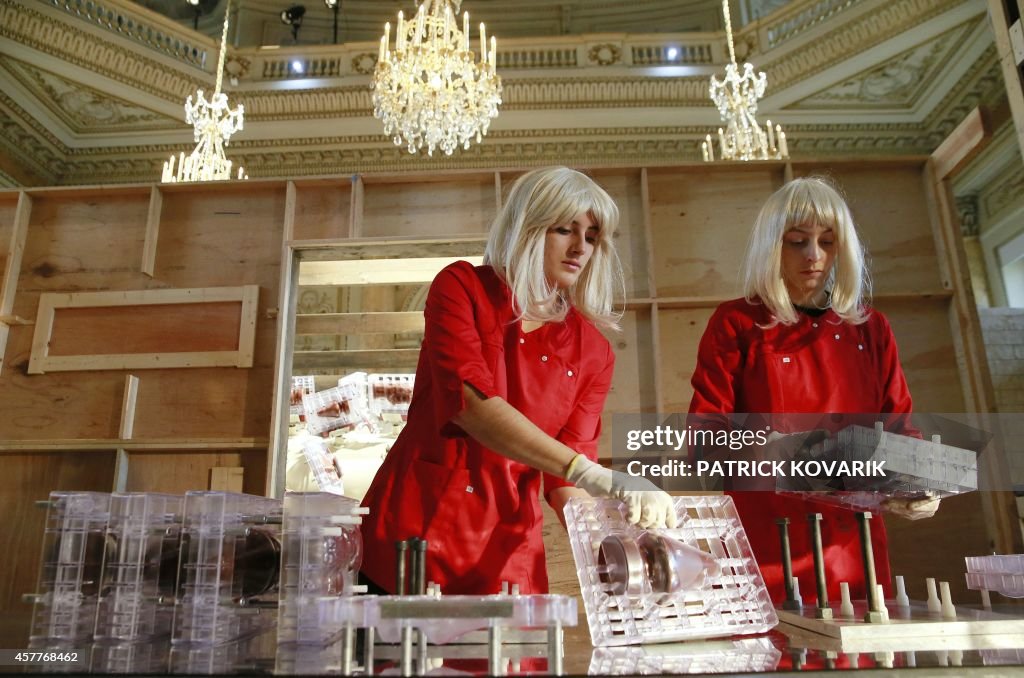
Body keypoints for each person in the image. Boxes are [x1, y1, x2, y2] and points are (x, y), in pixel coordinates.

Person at [359, 167, 676, 595]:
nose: (580, 247)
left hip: (505, 553)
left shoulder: (593, 351)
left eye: (592, 236)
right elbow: (472, 404)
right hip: (413, 535)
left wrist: (613, 547)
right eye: (564, 229)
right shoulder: (461, 288)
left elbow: (567, 482)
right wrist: (591, 472)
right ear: (527, 226)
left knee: (500, 660)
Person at [687, 177, 939, 605]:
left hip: (853, 542)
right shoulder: (737, 323)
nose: (814, 256)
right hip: (768, 538)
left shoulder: (871, 329)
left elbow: (901, 431)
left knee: (861, 660)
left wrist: (918, 486)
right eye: (797, 241)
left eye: (827, 241)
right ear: (772, 246)